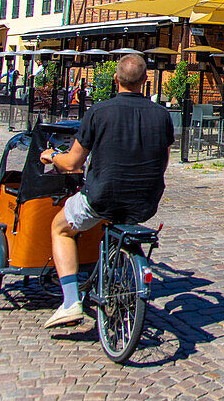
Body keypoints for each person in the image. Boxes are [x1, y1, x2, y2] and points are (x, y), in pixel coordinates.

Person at [39, 54, 173, 330]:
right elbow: (163, 160)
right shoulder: (162, 115)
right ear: (145, 81)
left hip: (104, 196)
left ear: (116, 80)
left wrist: (52, 156)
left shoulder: (99, 112)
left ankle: (70, 302)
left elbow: (73, 164)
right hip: (146, 200)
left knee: (60, 228)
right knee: (113, 218)